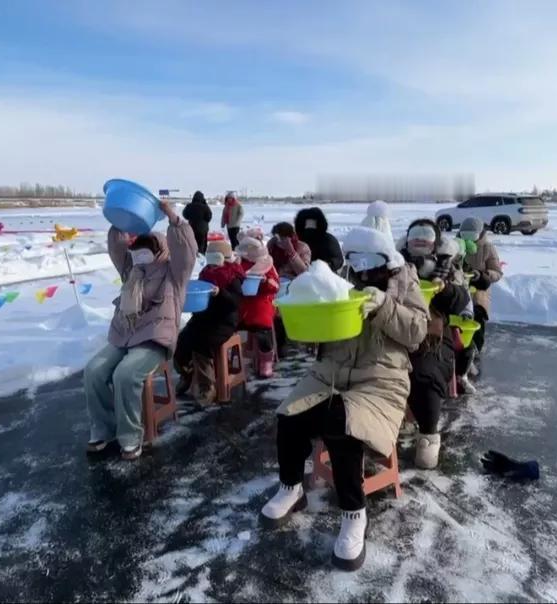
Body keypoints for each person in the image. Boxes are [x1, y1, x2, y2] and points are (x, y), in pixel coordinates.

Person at [260, 226, 427, 572]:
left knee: (342, 424)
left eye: (367, 260)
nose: (360, 268)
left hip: (381, 378)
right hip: (330, 372)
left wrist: (383, 306)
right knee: (290, 416)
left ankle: (354, 512)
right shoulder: (342, 278)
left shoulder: (404, 280)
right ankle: (291, 487)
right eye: (354, 260)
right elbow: (323, 327)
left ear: (384, 258)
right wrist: (305, 315)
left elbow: (417, 333)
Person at [83, 200, 197, 461]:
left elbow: (186, 249)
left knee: (125, 374)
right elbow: (116, 245)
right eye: (138, 249)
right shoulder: (130, 270)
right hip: (123, 336)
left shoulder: (174, 273)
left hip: (154, 339)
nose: (142, 253)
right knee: (93, 371)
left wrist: (173, 218)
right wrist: (121, 218)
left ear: (160, 250)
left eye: (148, 249)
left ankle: (130, 436)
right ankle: (102, 429)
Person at [399, 220, 471, 468]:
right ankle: (394, 419)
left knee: (425, 373)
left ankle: (429, 435)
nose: (419, 242)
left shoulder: (447, 265)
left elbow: (462, 300)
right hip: (398, 330)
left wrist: (446, 289)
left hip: (435, 336)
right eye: (415, 237)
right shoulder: (396, 263)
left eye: (425, 237)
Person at [173, 238, 245, 405]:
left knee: (201, 345)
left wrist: (220, 293)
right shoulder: (206, 273)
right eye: (210, 260)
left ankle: (207, 387)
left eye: (216, 260)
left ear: (224, 259)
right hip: (202, 318)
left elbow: (234, 303)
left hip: (224, 322)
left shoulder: (232, 276)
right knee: (180, 342)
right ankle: (187, 373)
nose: (212, 265)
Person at [459, 217, 501, 366]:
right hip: (459, 288)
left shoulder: (488, 248)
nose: (469, 239)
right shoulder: (455, 245)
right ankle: (458, 347)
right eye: (465, 236)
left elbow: (497, 272)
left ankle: (476, 348)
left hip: (479, 290)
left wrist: (482, 275)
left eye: (472, 236)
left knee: (477, 317)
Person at [236, 236, 280, 378]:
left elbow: (275, 286)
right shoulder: (238, 263)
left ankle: (266, 360)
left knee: (263, 328)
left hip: (261, 302)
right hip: (241, 302)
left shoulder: (267, 264)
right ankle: (234, 356)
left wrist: (265, 282)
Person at [295, 207, 344, 272]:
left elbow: (337, 260)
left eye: (312, 224)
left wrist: (326, 266)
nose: (310, 228)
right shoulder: (294, 240)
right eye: (308, 224)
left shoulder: (328, 240)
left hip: (323, 276)